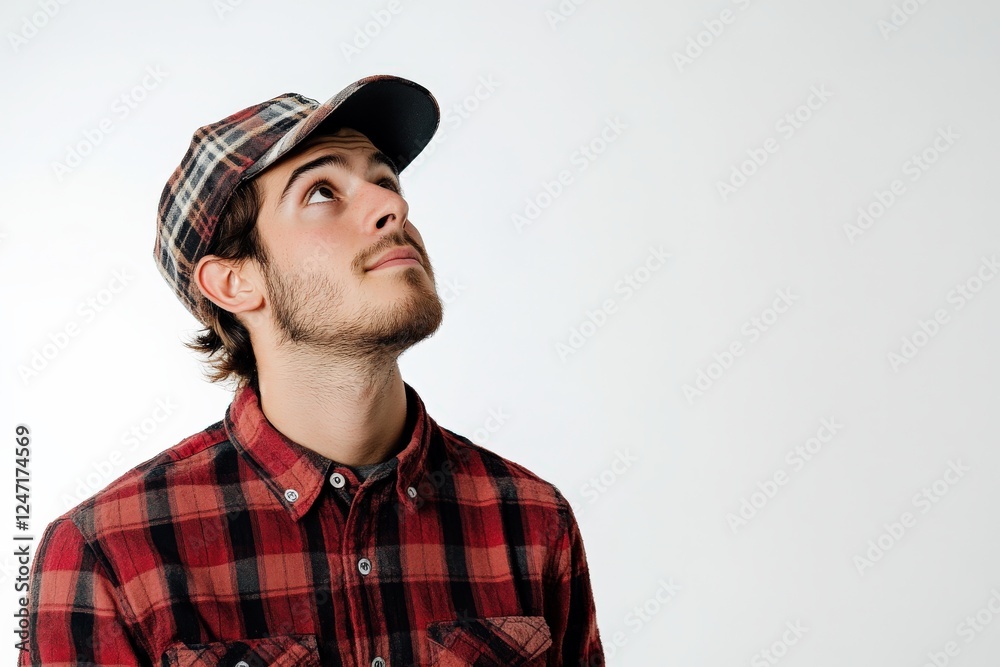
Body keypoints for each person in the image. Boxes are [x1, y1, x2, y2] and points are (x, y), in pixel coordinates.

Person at [19, 74, 604, 666]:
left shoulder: (531, 521)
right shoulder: (106, 557)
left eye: (385, 180)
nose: (391, 205)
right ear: (234, 282)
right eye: (323, 192)